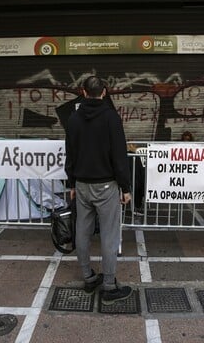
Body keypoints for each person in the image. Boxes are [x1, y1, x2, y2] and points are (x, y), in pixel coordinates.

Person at [64, 76, 133, 305]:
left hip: (82, 185)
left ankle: (88, 277)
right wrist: (125, 187)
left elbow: (70, 155)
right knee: (109, 234)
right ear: (104, 92)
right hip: (106, 186)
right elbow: (119, 156)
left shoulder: (73, 119)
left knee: (82, 232)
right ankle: (109, 285)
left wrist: (71, 184)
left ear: (83, 92)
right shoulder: (111, 118)